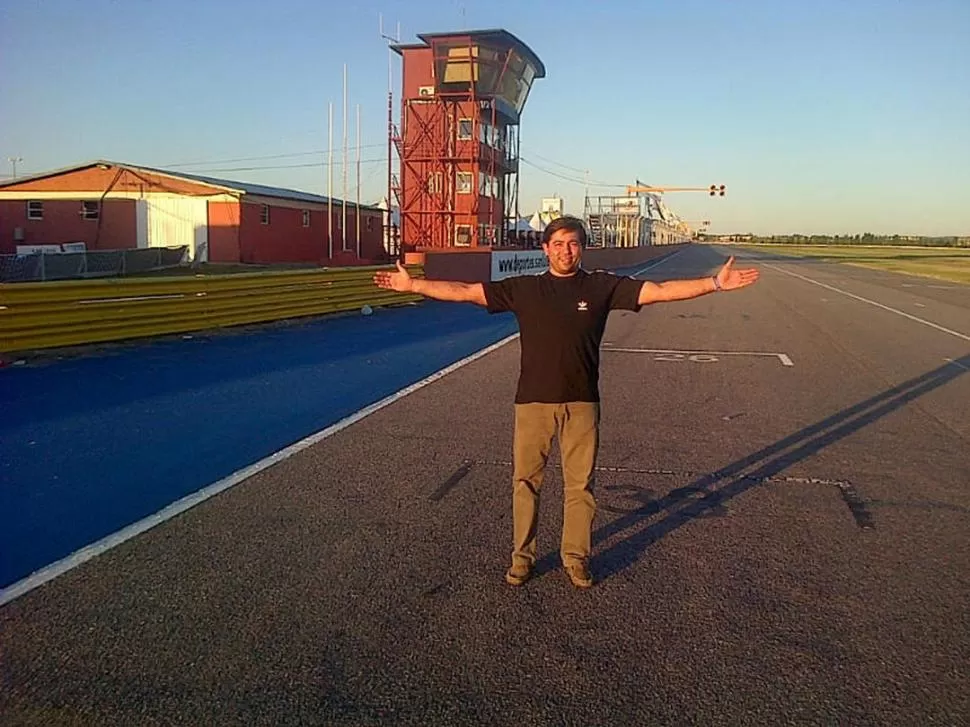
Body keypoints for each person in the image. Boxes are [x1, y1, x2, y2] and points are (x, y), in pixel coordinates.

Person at [373, 216, 759, 588]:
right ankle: (521, 558)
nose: (565, 250)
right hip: (532, 403)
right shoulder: (524, 289)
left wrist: (714, 284)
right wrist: (414, 287)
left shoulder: (601, 287)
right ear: (545, 249)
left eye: (573, 243)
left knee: (581, 487)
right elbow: (467, 291)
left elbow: (657, 292)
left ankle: (575, 558)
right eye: (557, 244)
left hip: (582, 403)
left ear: (582, 249)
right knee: (525, 483)